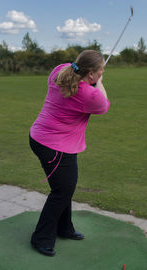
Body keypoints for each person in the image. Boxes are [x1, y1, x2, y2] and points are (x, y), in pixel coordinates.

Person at [29, 50, 110, 256]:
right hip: (53, 145)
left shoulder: (60, 70)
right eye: (100, 71)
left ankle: (64, 229)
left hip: (48, 139)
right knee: (61, 192)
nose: (102, 73)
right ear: (91, 74)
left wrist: (93, 78)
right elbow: (103, 104)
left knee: (65, 188)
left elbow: (76, 73)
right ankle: (41, 238)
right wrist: (99, 82)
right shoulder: (89, 94)